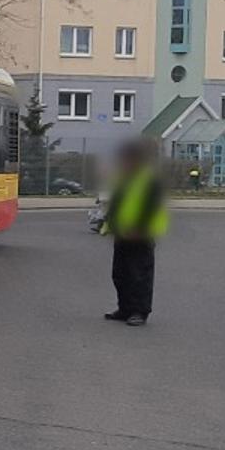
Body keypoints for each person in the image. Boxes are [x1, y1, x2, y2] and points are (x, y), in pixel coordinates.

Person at [101, 139, 168, 326]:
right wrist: (111, 225)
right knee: (120, 274)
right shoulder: (123, 178)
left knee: (139, 275)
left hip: (141, 235)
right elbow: (115, 204)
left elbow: (153, 208)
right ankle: (125, 308)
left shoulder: (149, 180)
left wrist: (141, 229)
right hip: (123, 234)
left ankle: (140, 311)